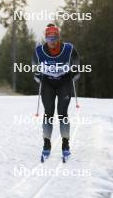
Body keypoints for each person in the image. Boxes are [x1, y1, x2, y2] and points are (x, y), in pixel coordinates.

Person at [32, 23, 80, 160]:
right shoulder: (40, 50)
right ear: (45, 39)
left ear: (58, 38)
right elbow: (35, 62)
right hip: (48, 83)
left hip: (64, 82)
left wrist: (75, 71)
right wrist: (37, 73)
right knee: (48, 112)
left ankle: (65, 145)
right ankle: (46, 144)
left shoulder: (68, 48)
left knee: (62, 112)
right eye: (49, 39)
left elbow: (76, 59)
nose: (51, 42)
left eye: (54, 38)